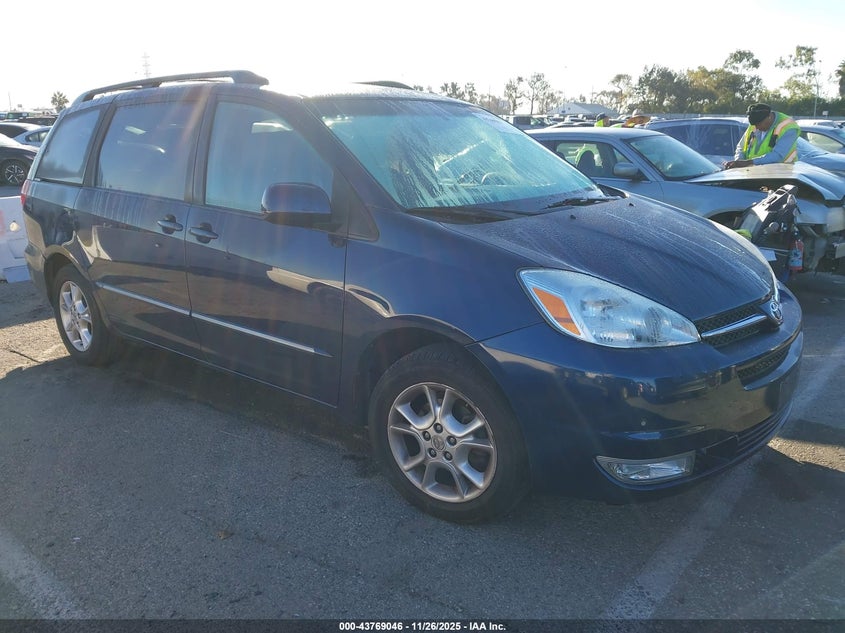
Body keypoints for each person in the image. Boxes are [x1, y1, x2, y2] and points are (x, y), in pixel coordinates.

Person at [724, 103, 800, 169]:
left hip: (781, 176)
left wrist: (748, 162)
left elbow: (777, 156)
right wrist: (738, 162)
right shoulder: (755, 124)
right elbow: (741, 147)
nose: (757, 128)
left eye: (759, 124)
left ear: (769, 116)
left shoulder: (789, 127)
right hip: (754, 174)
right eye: (755, 125)